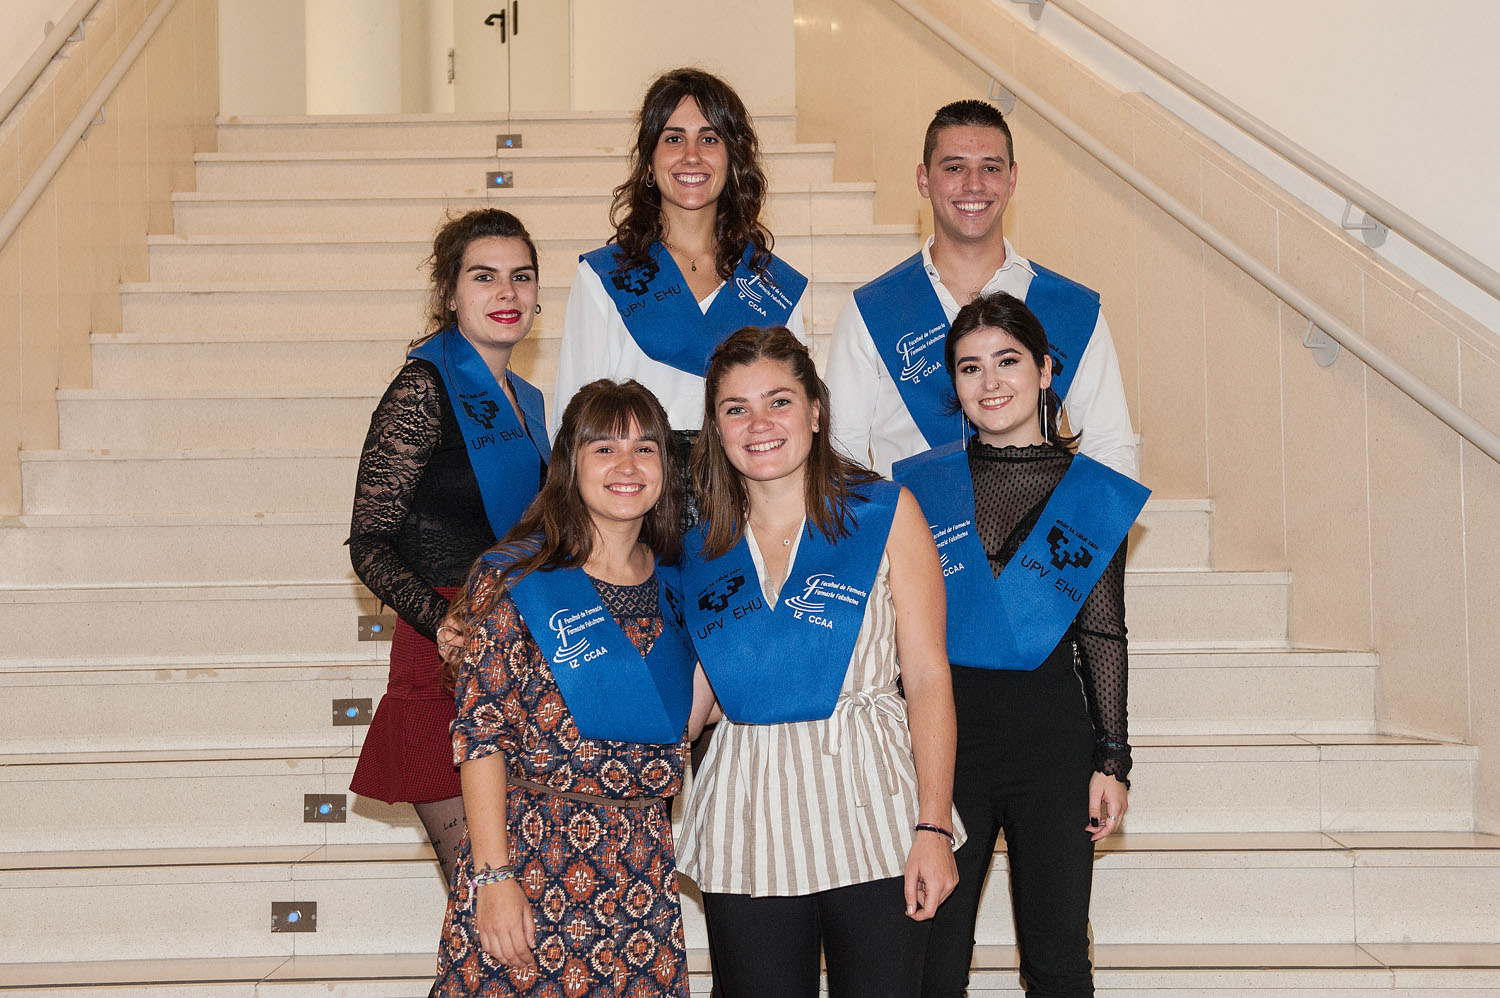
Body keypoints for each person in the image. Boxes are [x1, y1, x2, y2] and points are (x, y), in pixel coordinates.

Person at [675, 325, 961, 998]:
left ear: (815, 410)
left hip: (875, 804)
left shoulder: (885, 512)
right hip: (748, 809)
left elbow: (927, 677)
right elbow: (699, 696)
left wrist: (934, 824)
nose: (759, 424)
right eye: (736, 408)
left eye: (778, 401)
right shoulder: (701, 547)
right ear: (716, 429)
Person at [890, 293, 1149, 998]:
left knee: (1057, 960)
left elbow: (1102, 631)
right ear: (954, 385)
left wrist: (1113, 758)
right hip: (944, 744)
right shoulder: (921, 488)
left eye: (1007, 361)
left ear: (1045, 371)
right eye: (970, 367)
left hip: (1052, 744)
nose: (991, 382)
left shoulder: (1091, 493)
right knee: (934, 958)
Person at [430, 379, 697, 998]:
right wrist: (492, 878)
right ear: (569, 465)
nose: (627, 465)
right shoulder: (519, 577)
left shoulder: (679, 586)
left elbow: (683, 720)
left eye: (645, 448)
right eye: (604, 448)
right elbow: (481, 736)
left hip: (642, 867)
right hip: (533, 858)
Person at [348, 208, 550, 887]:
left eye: (521, 277)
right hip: (444, 657)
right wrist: (444, 624)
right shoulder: (422, 387)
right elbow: (370, 541)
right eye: (484, 277)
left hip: (516, 655)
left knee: (524, 902)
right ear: (449, 293)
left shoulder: (529, 402)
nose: (507, 292)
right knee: (481, 894)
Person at [826, 99, 1138, 480]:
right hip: (911, 518)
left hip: (1038, 518)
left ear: (1012, 179)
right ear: (923, 180)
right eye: (954, 167)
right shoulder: (871, 313)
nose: (973, 184)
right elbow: (840, 460)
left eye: (990, 168)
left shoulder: (1071, 309)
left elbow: (1111, 452)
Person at [552, 67, 808, 443]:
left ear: (732, 160)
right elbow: (575, 420)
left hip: (745, 472)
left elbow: (794, 414)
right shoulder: (603, 278)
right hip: (639, 472)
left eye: (709, 139)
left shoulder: (770, 284)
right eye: (674, 138)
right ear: (649, 160)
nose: (692, 156)